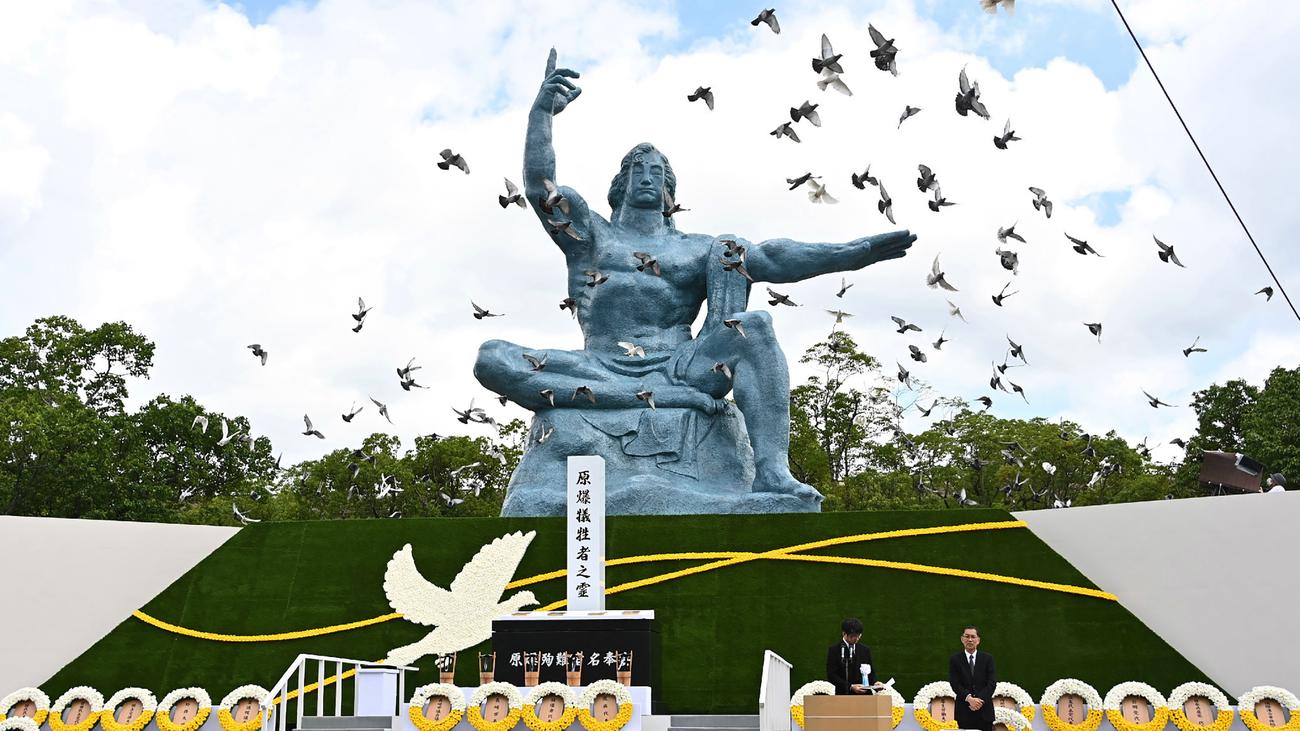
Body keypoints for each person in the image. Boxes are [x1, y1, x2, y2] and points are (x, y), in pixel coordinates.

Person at [473, 49, 916, 498]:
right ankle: (643, 400)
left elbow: (772, 258)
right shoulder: (592, 237)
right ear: (620, 184)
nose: (648, 178)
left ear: (670, 193)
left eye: (658, 173)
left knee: (755, 325)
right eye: (638, 171)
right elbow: (541, 187)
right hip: (600, 366)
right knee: (491, 357)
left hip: (681, 368)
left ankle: (772, 472)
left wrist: (850, 254)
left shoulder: (699, 249)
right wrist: (541, 115)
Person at [949, 625, 996, 731]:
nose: (970, 639)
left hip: (985, 711)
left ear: (978, 640)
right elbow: (955, 683)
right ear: (962, 639)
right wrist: (969, 699)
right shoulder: (955, 659)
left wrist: (978, 701)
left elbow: (991, 683)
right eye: (967, 636)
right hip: (964, 711)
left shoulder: (988, 659)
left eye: (973, 637)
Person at [826, 618, 883, 695]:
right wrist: (850, 686)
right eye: (853, 636)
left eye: (858, 636)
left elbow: (871, 672)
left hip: (864, 695)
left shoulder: (865, 650)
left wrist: (875, 683)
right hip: (843, 694)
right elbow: (832, 675)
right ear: (844, 633)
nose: (856, 639)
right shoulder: (834, 650)